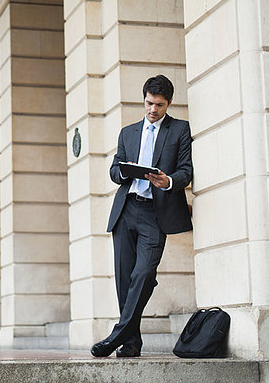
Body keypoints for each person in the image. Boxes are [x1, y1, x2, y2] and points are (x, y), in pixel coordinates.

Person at [91, 74, 193, 358]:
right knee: (125, 279)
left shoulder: (180, 130)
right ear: (143, 99)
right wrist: (125, 170)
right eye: (149, 103)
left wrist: (169, 181)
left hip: (154, 214)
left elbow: (186, 170)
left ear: (168, 103)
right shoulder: (128, 133)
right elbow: (114, 171)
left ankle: (116, 335)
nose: (152, 110)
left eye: (159, 105)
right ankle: (131, 343)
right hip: (126, 210)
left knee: (145, 273)